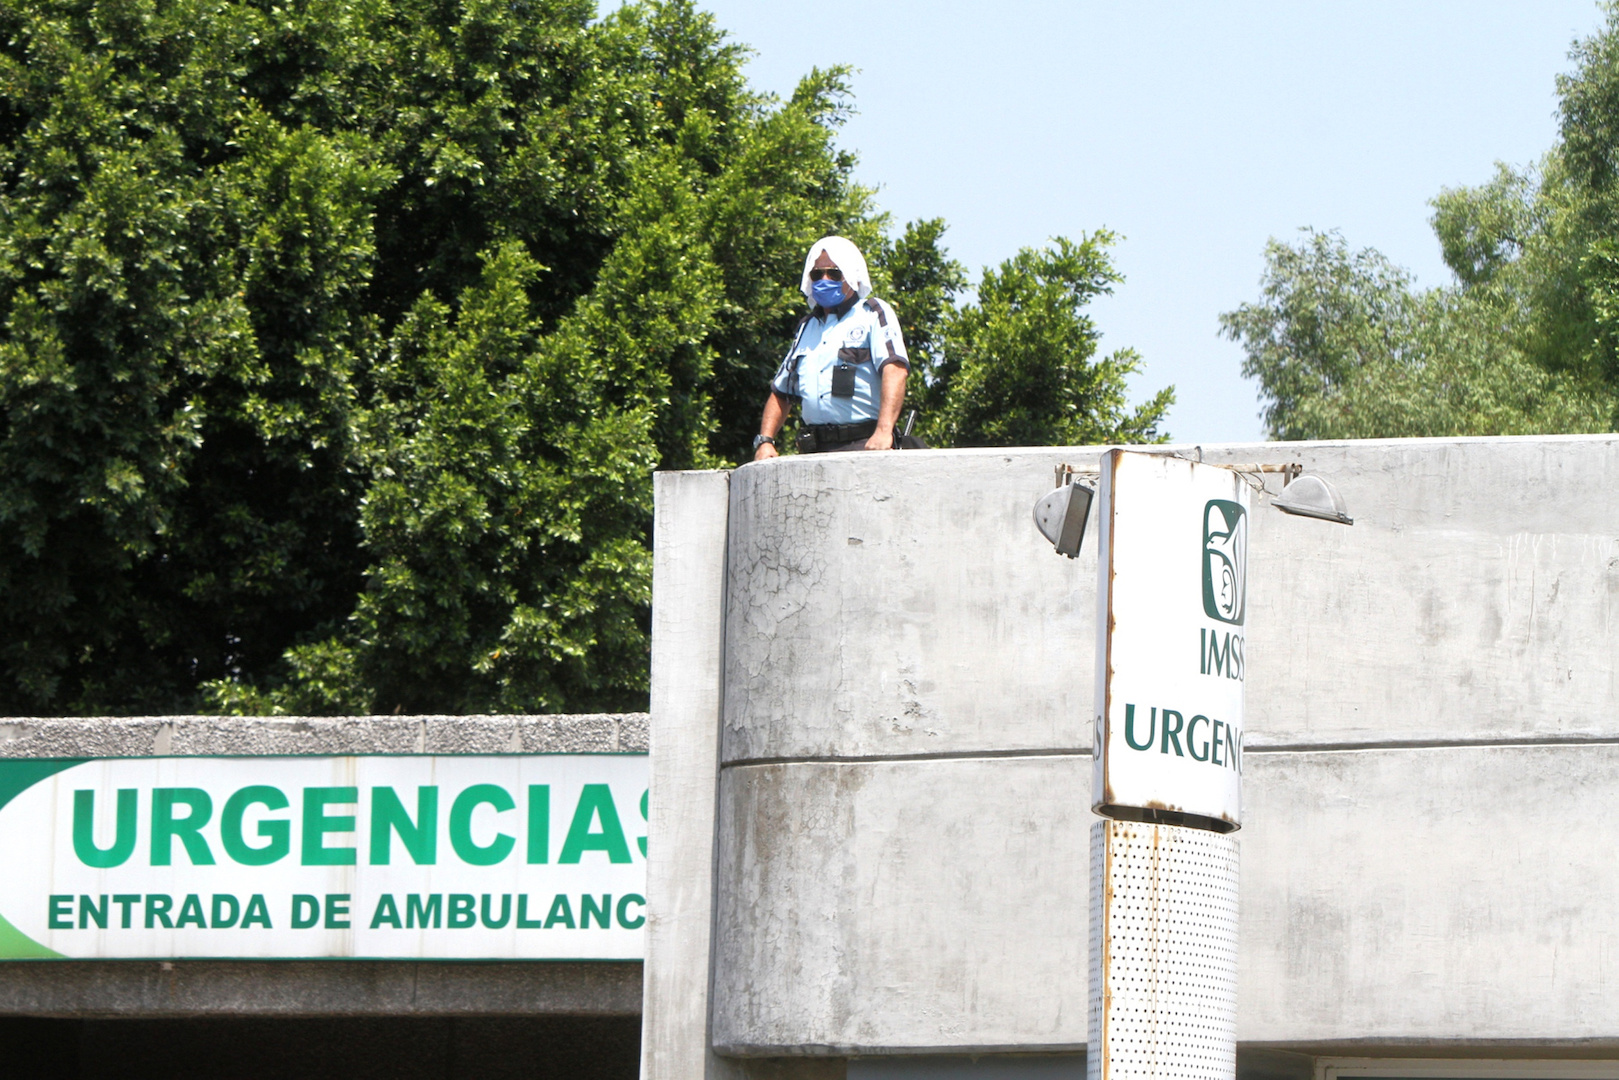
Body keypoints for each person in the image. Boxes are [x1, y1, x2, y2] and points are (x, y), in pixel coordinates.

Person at [752, 236, 910, 460]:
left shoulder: (872, 313)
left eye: (834, 273)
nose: (824, 279)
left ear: (851, 275)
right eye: (817, 274)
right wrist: (765, 441)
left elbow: (895, 370)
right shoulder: (807, 327)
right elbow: (782, 391)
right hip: (813, 450)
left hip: (864, 445)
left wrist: (884, 432)